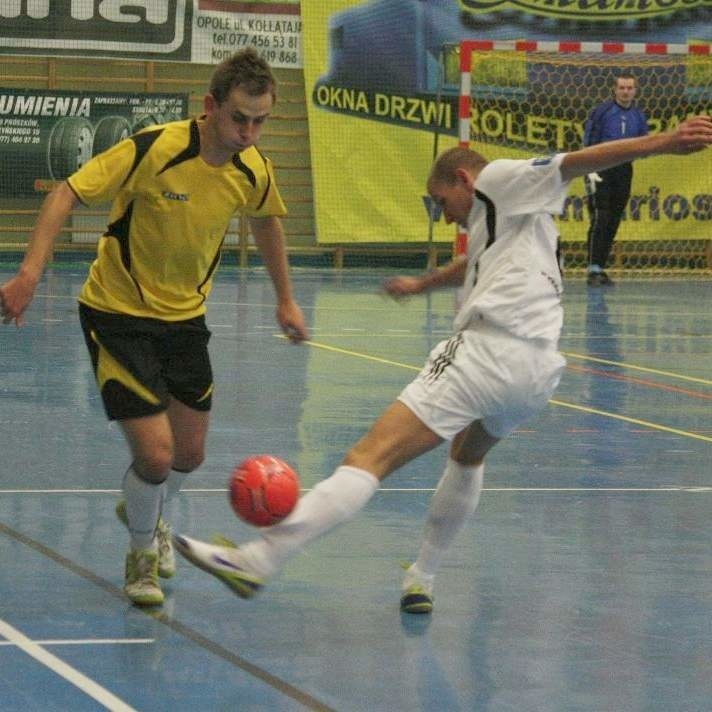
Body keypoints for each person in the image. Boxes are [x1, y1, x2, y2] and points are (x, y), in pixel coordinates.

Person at [173, 116, 712, 614]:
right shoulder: (507, 218)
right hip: (538, 369)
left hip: (487, 350)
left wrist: (665, 142)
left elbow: (577, 160)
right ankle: (423, 577)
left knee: (370, 457)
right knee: (468, 454)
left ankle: (259, 559)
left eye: (440, 200)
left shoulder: (499, 178)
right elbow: (473, 263)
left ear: (462, 178)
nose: (443, 212)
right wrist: (422, 285)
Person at [0, 48, 309, 607]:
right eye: (240, 117)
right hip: (117, 314)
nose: (249, 131)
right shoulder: (156, 148)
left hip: (184, 321)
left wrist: (285, 300)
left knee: (189, 456)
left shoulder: (253, 168)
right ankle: (142, 551)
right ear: (211, 106)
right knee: (156, 457)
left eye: (261, 120)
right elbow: (66, 194)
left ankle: (147, 506)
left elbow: (267, 220)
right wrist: (29, 273)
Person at [583, 74, 649, 286]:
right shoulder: (601, 111)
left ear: (635, 90)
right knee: (600, 217)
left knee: (613, 219)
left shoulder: (638, 116)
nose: (625, 91)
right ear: (615, 89)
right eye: (622, 87)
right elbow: (588, 141)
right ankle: (592, 269)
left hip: (623, 171)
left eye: (629, 88)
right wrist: (589, 168)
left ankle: (600, 268)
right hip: (600, 168)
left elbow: (643, 145)